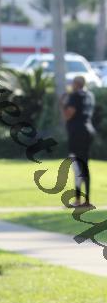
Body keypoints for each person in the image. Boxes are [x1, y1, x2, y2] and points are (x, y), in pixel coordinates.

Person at [63, 75, 96, 208]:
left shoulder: (74, 96)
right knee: (84, 165)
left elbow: (69, 114)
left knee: (76, 166)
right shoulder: (90, 95)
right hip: (88, 131)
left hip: (77, 133)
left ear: (76, 84)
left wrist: (63, 105)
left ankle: (78, 200)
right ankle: (86, 200)